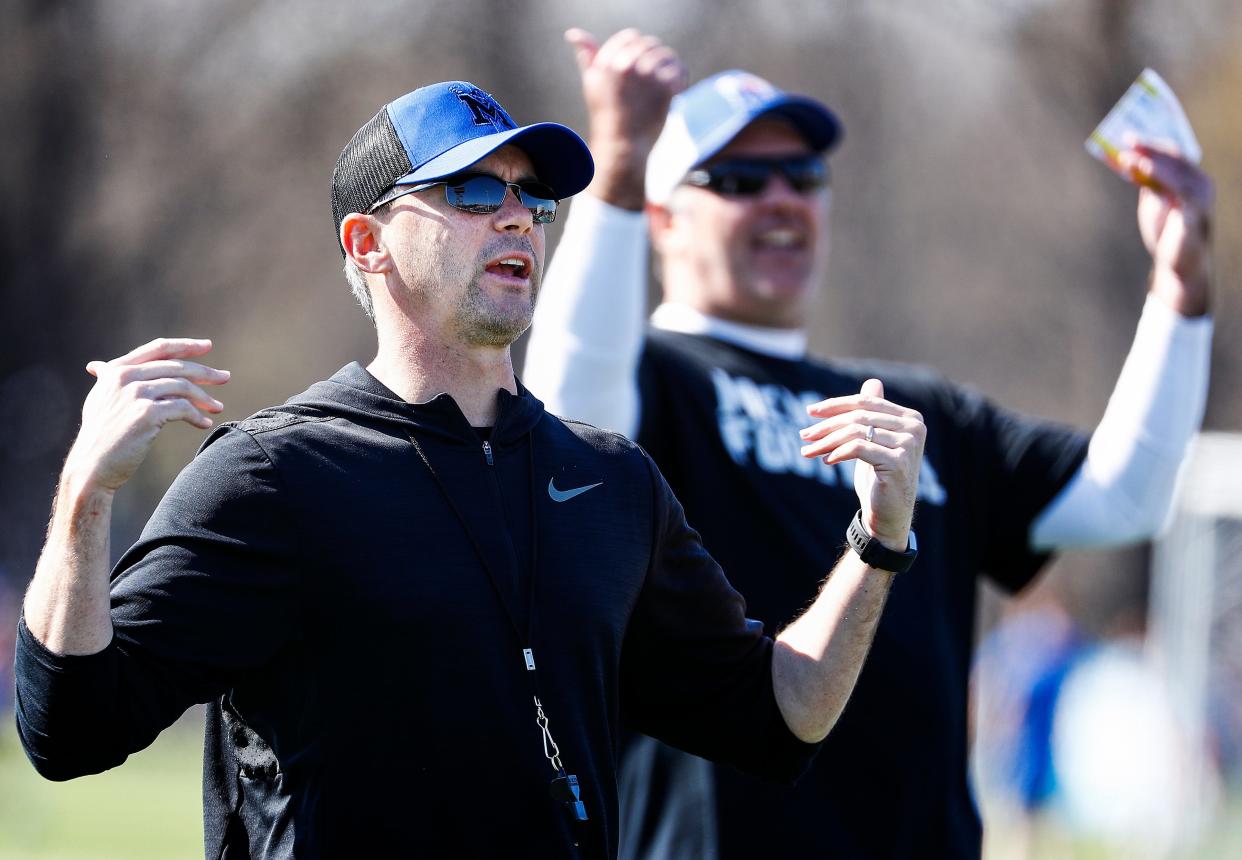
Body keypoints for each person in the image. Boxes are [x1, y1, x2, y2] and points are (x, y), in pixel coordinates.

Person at [14, 81, 928, 859]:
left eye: (533, 198)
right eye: (471, 190)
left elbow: (779, 714)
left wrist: (877, 542)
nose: (516, 215)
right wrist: (87, 495)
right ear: (367, 245)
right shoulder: (272, 476)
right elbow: (68, 728)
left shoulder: (614, 481)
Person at [522, 29, 1215, 860]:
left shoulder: (919, 408)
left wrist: (1181, 295)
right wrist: (620, 168)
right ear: (664, 219)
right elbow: (571, 401)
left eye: (803, 176)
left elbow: (1126, 495)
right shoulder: (655, 382)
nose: (783, 198)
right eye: (740, 180)